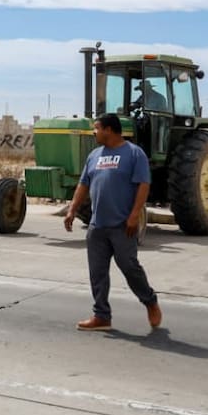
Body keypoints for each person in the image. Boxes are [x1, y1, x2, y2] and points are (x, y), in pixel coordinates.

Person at [64, 113, 161, 332]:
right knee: (97, 273)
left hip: (122, 225)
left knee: (129, 267)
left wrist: (135, 215)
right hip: (97, 226)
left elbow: (143, 184)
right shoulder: (94, 155)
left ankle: (150, 301)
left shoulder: (134, 154)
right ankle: (102, 315)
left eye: (96, 128)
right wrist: (72, 210)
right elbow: (83, 185)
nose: (94, 132)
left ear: (109, 129)